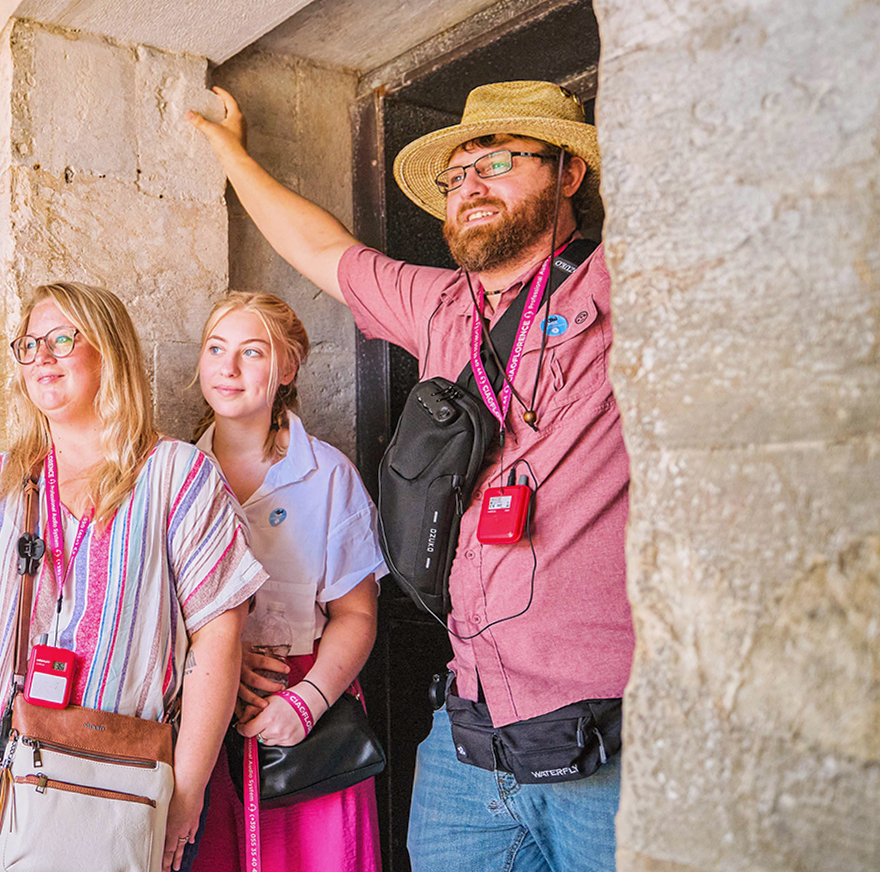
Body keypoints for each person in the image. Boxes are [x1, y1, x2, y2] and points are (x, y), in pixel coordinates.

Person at [187, 81, 632, 872]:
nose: (471, 187)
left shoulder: (623, 285)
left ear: (569, 174)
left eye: (497, 163)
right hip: (471, 737)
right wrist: (230, 151)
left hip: (606, 745)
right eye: (457, 176)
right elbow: (320, 249)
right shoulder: (440, 309)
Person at [0, 281, 268, 872]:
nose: (42, 358)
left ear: (108, 350)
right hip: (5, 782)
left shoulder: (178, 478)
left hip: (127, 790)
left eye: (62, 338)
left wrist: (184, 795)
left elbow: (218, 638)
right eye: (28, 345)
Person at [187, 292, 386, 872]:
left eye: (252, 352)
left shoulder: (327, 475)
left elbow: (356, 615)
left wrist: (307, 702)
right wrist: (218, 658)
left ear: (287, 369)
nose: (227, 368)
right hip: (200, 715)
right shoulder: (173, 471)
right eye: (216, 348)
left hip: (307, 716)